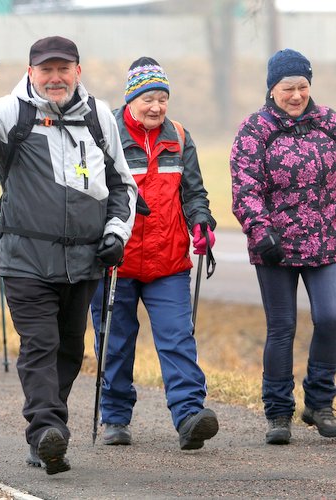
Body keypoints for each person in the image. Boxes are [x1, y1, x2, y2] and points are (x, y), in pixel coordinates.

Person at [0, 36, 137, 474]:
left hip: (86, 260)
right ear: (31, 73)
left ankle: (47, 436)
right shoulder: (14, 110)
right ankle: (47, 432)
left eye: (63, 69)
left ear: (77, 71)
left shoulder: (99, 117)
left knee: (69, 349)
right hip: (26, 259)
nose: (55, 78)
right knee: (40, 345)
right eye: (46, 70)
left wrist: (115, 233)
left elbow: (123, 185)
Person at [230, 49, 336, 445]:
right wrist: (261, 231)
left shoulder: (331, 123)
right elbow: (245, 189)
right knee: (282, 328)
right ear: (272, 89)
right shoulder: (254, 130)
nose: (295, 95)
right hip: (275, 247)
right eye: (287, 88)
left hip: (328, 240)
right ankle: (279, 412)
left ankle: (319, 403)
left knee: (330, 319)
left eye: (302, 87)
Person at [90, 56, 219, 451]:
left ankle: (189, 416)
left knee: (178, 338)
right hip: (116, 260)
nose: (156, 107)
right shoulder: (104, 131)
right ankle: (114, 417)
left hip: (169, 260)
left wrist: (202, 221)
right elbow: (90, 190)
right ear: (131, 98)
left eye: (162, 98)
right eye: (148, 97)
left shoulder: (179, 137)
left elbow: (194, 192)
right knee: (115, 341)